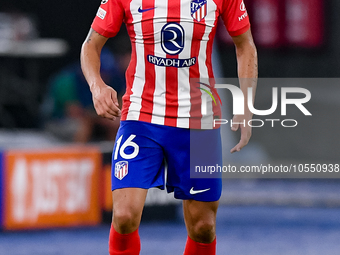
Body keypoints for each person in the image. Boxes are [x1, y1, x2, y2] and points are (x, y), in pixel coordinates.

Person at [81, 0, 257, 254]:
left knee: (203, 226)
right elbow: (90, 45)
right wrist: (97, 87)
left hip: (199, 121)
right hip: (141, 117)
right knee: (124, 215)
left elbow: (245, 45)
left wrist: (246, 104)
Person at [43, 48, 125, 142]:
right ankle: (79, 156)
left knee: (120, 125)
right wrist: (102, 117)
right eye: (101, 72)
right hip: (59, 122)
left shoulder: (111, 79)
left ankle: (114, 154)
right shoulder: (67, 81)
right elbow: (74, 112)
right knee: (83, 125)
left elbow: (118, 107)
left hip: (96, 120)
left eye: (107, 73)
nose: (105, 77)